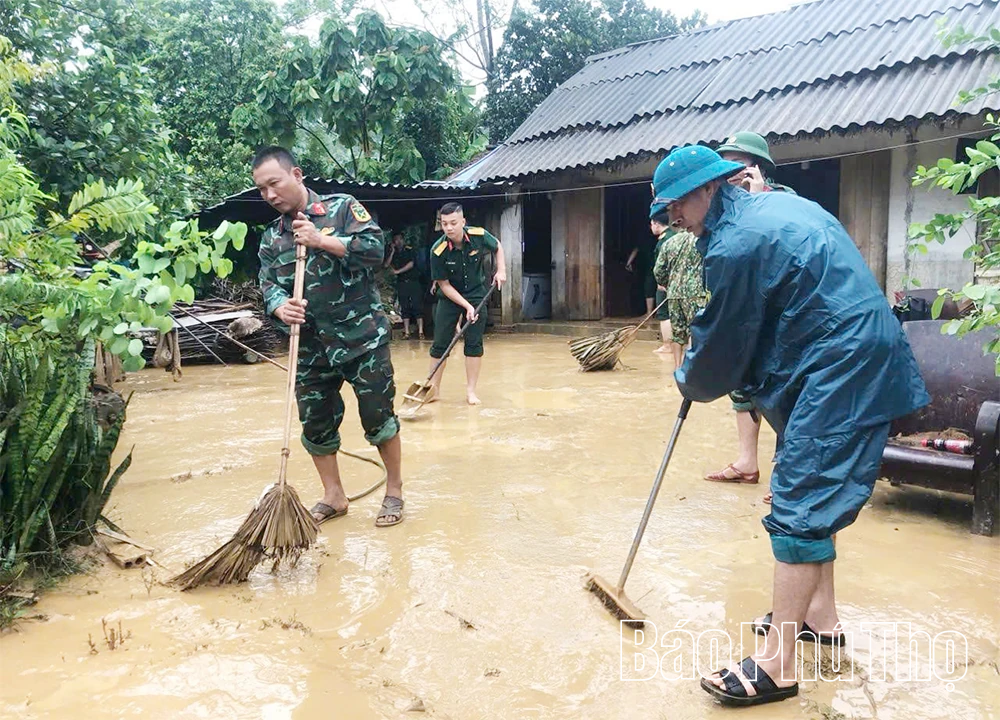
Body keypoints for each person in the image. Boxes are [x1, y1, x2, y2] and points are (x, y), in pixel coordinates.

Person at [649, 145, 928, 707]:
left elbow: (723, 342)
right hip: (845, 351)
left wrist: (689, 379)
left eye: (680, 202)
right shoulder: (779, 206)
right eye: (666, 206)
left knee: (799, 495)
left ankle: (777, 666)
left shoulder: (734, 244)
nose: (674, 215)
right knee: (808, 486)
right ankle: (819, 619)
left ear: (711, 188)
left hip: (841, 362)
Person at [253, 145, 405, 528]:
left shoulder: (341, 209)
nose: (270, 196)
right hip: (309, 347)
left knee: (378, 416)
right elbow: (267, 283)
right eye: (262, 190)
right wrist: (278, 307)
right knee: (315, 422)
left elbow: (375, 249)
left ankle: (395, 491)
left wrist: (322, 241)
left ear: (297, 175)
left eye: (274, 184)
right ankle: (334, 497)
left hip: (361, 339)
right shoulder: (272, 238)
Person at [704, 132, 795, 497]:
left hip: (783, 314)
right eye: (726, 164)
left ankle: (787, 476)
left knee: (784, 391)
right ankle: (746, 462)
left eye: (739, 163)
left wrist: (759, 201)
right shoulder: (721, 207)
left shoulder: (784, 199)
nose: (732, 173)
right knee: (742, 387)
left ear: (758, 167)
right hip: (745, 311)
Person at [426, 202, 506, 405]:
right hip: (450, 297)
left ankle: (471, 391)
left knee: (474, 343)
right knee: (440, 344)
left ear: (463, 221)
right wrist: (466, 306)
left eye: (453, 223)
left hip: (477, 293)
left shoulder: (478, 235)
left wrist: (501, 270)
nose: (449, 228)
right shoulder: (438, 250)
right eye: (444, 224)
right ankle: (433, 390)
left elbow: (497, 246)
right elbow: (443, 285)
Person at [652, 221, 703, 370]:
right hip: (696, 293)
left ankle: (677, 366)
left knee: (678, 333)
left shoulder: (669, 242)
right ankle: (695, 366)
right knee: (696, 329)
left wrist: (668, 284)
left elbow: (658, 270)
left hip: (674, 294)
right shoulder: (699, 240)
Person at [385, 231, 424, 339]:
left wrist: (398, 272)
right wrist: (392, 251)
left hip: (413, 282)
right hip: (402, 283)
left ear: (403, 239)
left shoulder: (409, 251)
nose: (398, 242)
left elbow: (411, 264)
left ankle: (421, 332)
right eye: (396, 240)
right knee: (404, 306)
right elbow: (386, 265)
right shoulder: (394, 253)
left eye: (400, 239)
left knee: (417, 306)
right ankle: (407, 332)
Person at [649, 218, 673, 354]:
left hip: (665, 285)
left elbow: (660, 266)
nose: (651, 227)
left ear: (658, 224)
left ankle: (667, 345)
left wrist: (661, 282)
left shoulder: (664, 241)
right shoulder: (674, 236)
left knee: (664, 314)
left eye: (652, 224)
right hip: (678, 284)